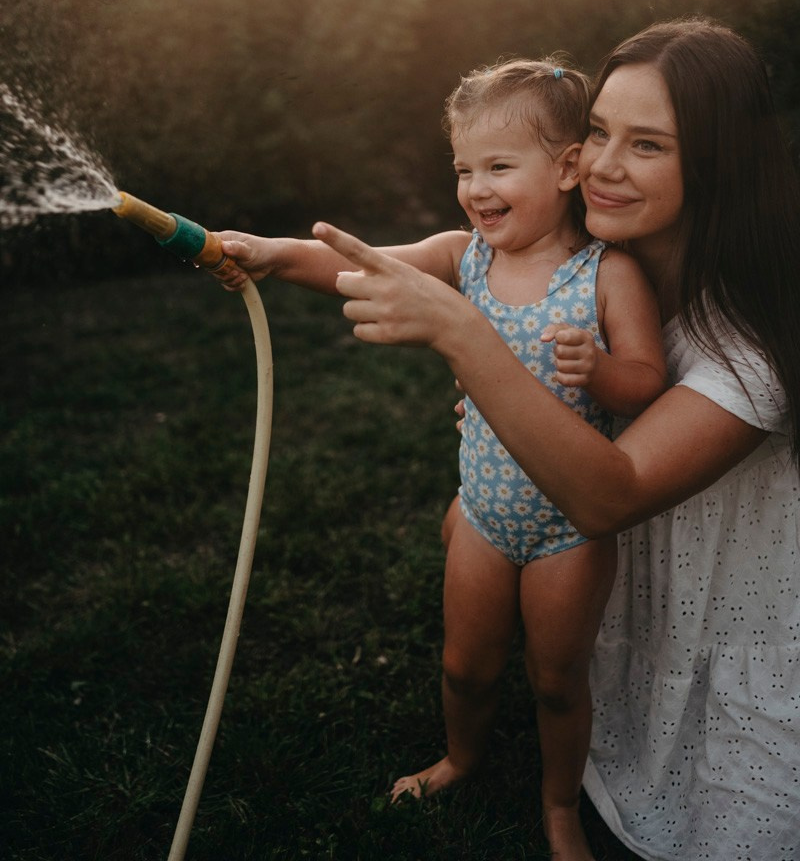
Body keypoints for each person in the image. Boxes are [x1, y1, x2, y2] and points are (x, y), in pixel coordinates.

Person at [303, 18, 800, 861]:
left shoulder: (751, 346)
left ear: (714, 165)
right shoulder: (614, 267)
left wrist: (466, 338)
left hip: (703, 594)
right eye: (599, 131)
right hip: (570, 550)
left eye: (648, 146)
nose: (600, 164)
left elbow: (606, 494)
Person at [219, 57, 667, 861]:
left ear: (566, 168)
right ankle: (461, 756)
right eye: (464, 168)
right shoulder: (463, 256)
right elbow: (364, 268)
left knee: (558, 680)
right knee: (466, 664)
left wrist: (600, 372)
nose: (475, 187)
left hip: (571, 527)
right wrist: (278, 254)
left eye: (499, 167)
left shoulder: (608, 275)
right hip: (487, 514)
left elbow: (646, 383)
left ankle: (559, 805)